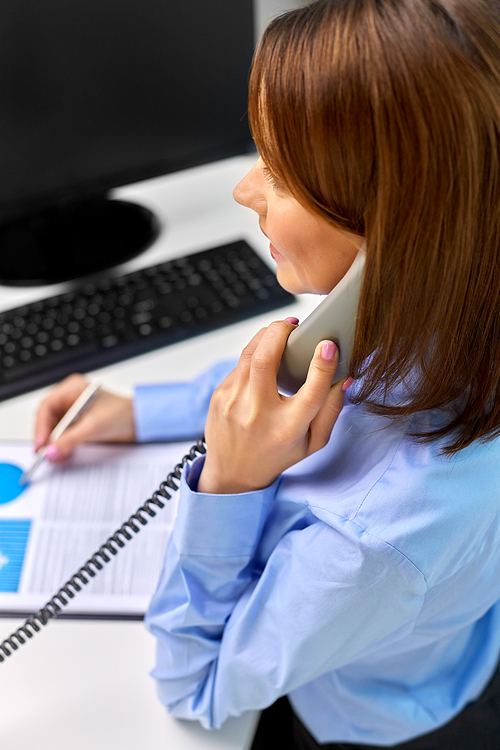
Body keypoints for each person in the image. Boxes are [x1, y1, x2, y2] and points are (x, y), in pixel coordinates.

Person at [34, 0, 500, 747]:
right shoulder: (444, 311)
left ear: (400, 233)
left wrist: (229, 483)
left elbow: (198, 689)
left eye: (281, 176)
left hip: (362, 716)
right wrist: (144, 409)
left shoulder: (372, 538)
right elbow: (309, 363)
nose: (244, 191)